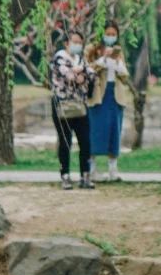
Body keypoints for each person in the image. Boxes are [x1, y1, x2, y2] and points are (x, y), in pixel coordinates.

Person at [87, 20, 133, 183]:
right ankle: (91, 170)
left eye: (114, 34)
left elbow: (125, 75)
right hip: (98, 96)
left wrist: (117, 61)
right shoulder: (93, 49)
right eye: (108, 34)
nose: (111, 37)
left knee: (115, 131)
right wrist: (103, 58)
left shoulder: (119, 53)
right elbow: (89, 69)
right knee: (94, 132)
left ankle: (113, 170)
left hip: (116, 96)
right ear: (102, 34)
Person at [51, 27, 94, 190]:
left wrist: (80, 73)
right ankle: (65, 176)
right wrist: (80, 76)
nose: (78, 45)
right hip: (63, 106)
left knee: (85, 142)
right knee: (65, 142)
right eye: (75, 42)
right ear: (67, 43)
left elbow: (92, 75)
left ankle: (85, 175)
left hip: (80, 106)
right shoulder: (59, 58)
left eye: (80, 42)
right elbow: (68, 76)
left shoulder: (81, 59)